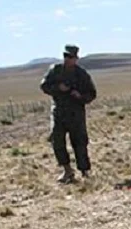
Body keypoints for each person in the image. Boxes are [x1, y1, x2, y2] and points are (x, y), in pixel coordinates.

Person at [40, 44, 97, 183]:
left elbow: (92, 94)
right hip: (59, 111)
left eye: (70, 57)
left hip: (76, 113)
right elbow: (44, 86)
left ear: (76, 58)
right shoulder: (55, 70)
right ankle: (67, 170)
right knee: (57, 141)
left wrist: (80, 96)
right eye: (66, 56)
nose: (68, 59)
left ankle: (84, 171)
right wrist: (57, 88)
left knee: (79, 142)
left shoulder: (81, 74)